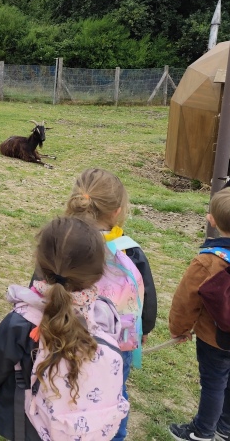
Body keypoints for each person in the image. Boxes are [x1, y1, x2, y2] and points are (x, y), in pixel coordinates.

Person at [0, 216, 127, 440]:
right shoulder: (105, 315)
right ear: (97, 273)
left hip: (25, 424)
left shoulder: (21, 321)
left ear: (39, 264)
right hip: (83, 427)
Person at [64, 167, 157, 441]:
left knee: (67, 386)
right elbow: (145, 292)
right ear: (117, 211)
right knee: (114, 391)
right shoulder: (129, 249)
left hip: (67, 333)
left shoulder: (62, 241)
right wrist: (145, 328)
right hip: (119, 340)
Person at [168, 187, 230, 441]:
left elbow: (186, 301)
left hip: (214, 337)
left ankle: (203, 431)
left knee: (214, 382)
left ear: (211, 219)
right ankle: (225, 427)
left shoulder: (207, 261)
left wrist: (179, 329)